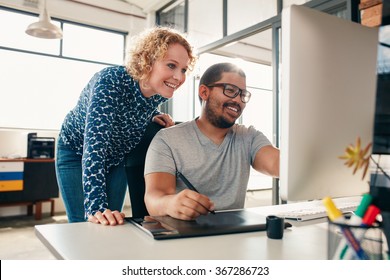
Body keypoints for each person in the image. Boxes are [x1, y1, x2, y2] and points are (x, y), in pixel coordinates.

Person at [55, 26, 197, 226]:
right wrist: (96, 207)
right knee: (87, 225)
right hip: (77, 154)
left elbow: (130, 107)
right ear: (147, 60)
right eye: (171, 66)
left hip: (116, 158)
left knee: (112, 223)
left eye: (183, 69)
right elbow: (95, 147)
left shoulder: (156, 92)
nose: (180, 77)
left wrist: (152, 115)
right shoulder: (110, 82)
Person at [144, 62, 280, 220]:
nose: (238, 100)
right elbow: (154, 199)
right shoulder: (167, 139)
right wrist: (170, 203)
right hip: (184, 236)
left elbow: (279, 164)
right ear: (204, 92)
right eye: (230, 90)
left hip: (233, 235)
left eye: (243, 95)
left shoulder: (249, 136)